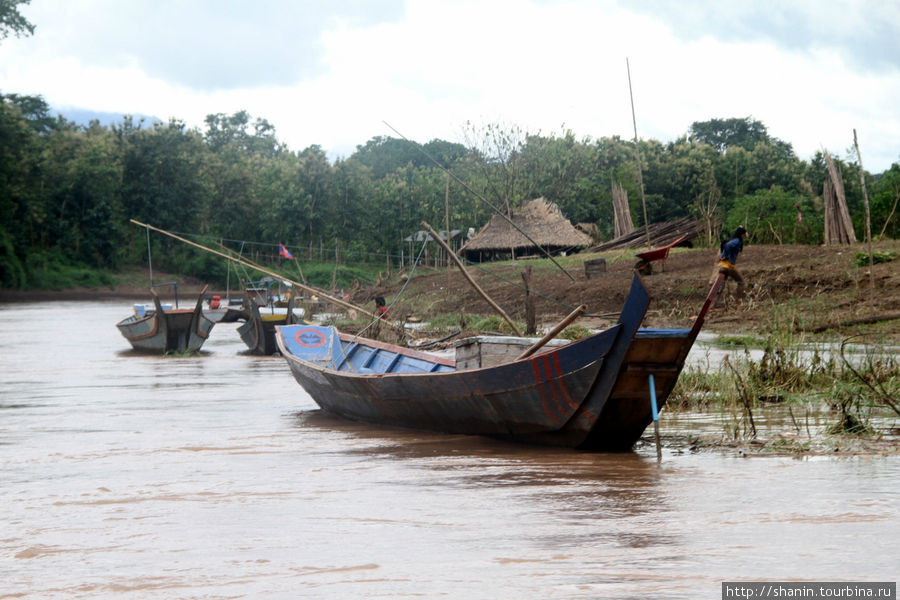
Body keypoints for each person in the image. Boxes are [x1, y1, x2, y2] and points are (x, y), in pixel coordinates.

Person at [712, 226, 747, 305]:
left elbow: (725, 245)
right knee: (741, 282)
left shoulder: (733, 239)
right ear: (741, 234)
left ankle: (714, 303)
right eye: (744, 234)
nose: (744, 236)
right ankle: (739, 302)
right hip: (728, 266)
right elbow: (727, 245)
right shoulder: (737, 241)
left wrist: (724, 256)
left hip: (722, 266)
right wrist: (728, 256)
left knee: (721, 285)